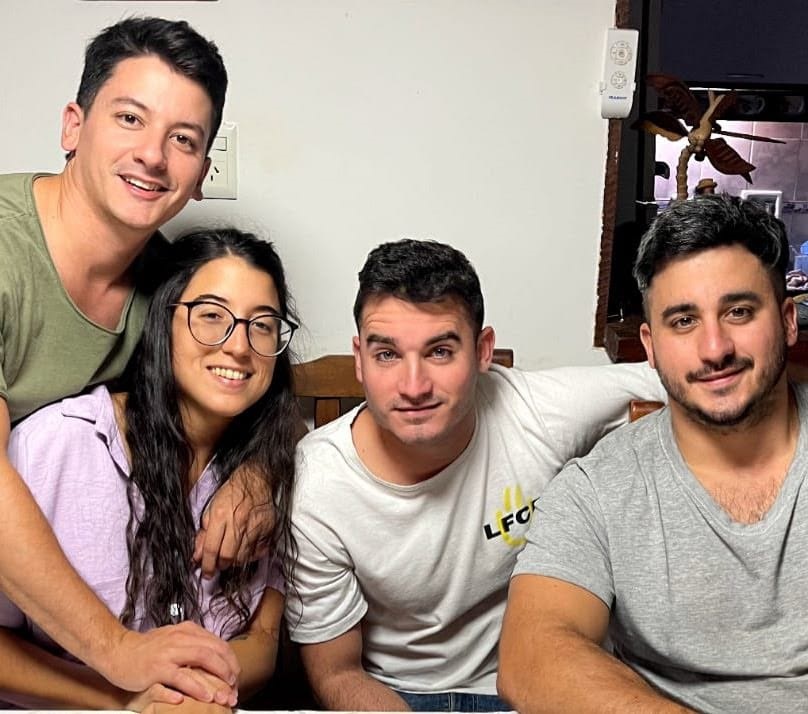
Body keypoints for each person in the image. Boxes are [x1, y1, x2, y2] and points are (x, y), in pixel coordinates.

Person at [0, 17, 270, 703]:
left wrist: (255, 473)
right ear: (73, 126)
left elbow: (232, 383)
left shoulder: (166, 291)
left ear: (201, 174)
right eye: (130, 118)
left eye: (183, 139)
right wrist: (117, 653)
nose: (153, 155)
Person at [285, 238, 667, 711]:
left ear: (483, 351)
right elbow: (337, 672)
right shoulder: (319, 483)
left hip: (526, 682)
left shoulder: (537, 411)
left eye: (440, 351)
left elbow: (686, 378)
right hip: (393, 694)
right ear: (360, 358)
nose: (413, 386)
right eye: (387, 355)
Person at [498, 195, 808, 713]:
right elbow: (531, 658)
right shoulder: (596, 490)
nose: (715, 348)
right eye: (683, 321)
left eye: (738, 311)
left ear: (788, 320)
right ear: (650, 345)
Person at [0, 229, 299, 710]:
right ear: (163, 321)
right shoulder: (55, 447)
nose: (240, 346)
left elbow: (262, 642)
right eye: (211, 316)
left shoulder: (269, 473)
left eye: (262, 325)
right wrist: (123, 698)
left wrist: (195, 694)